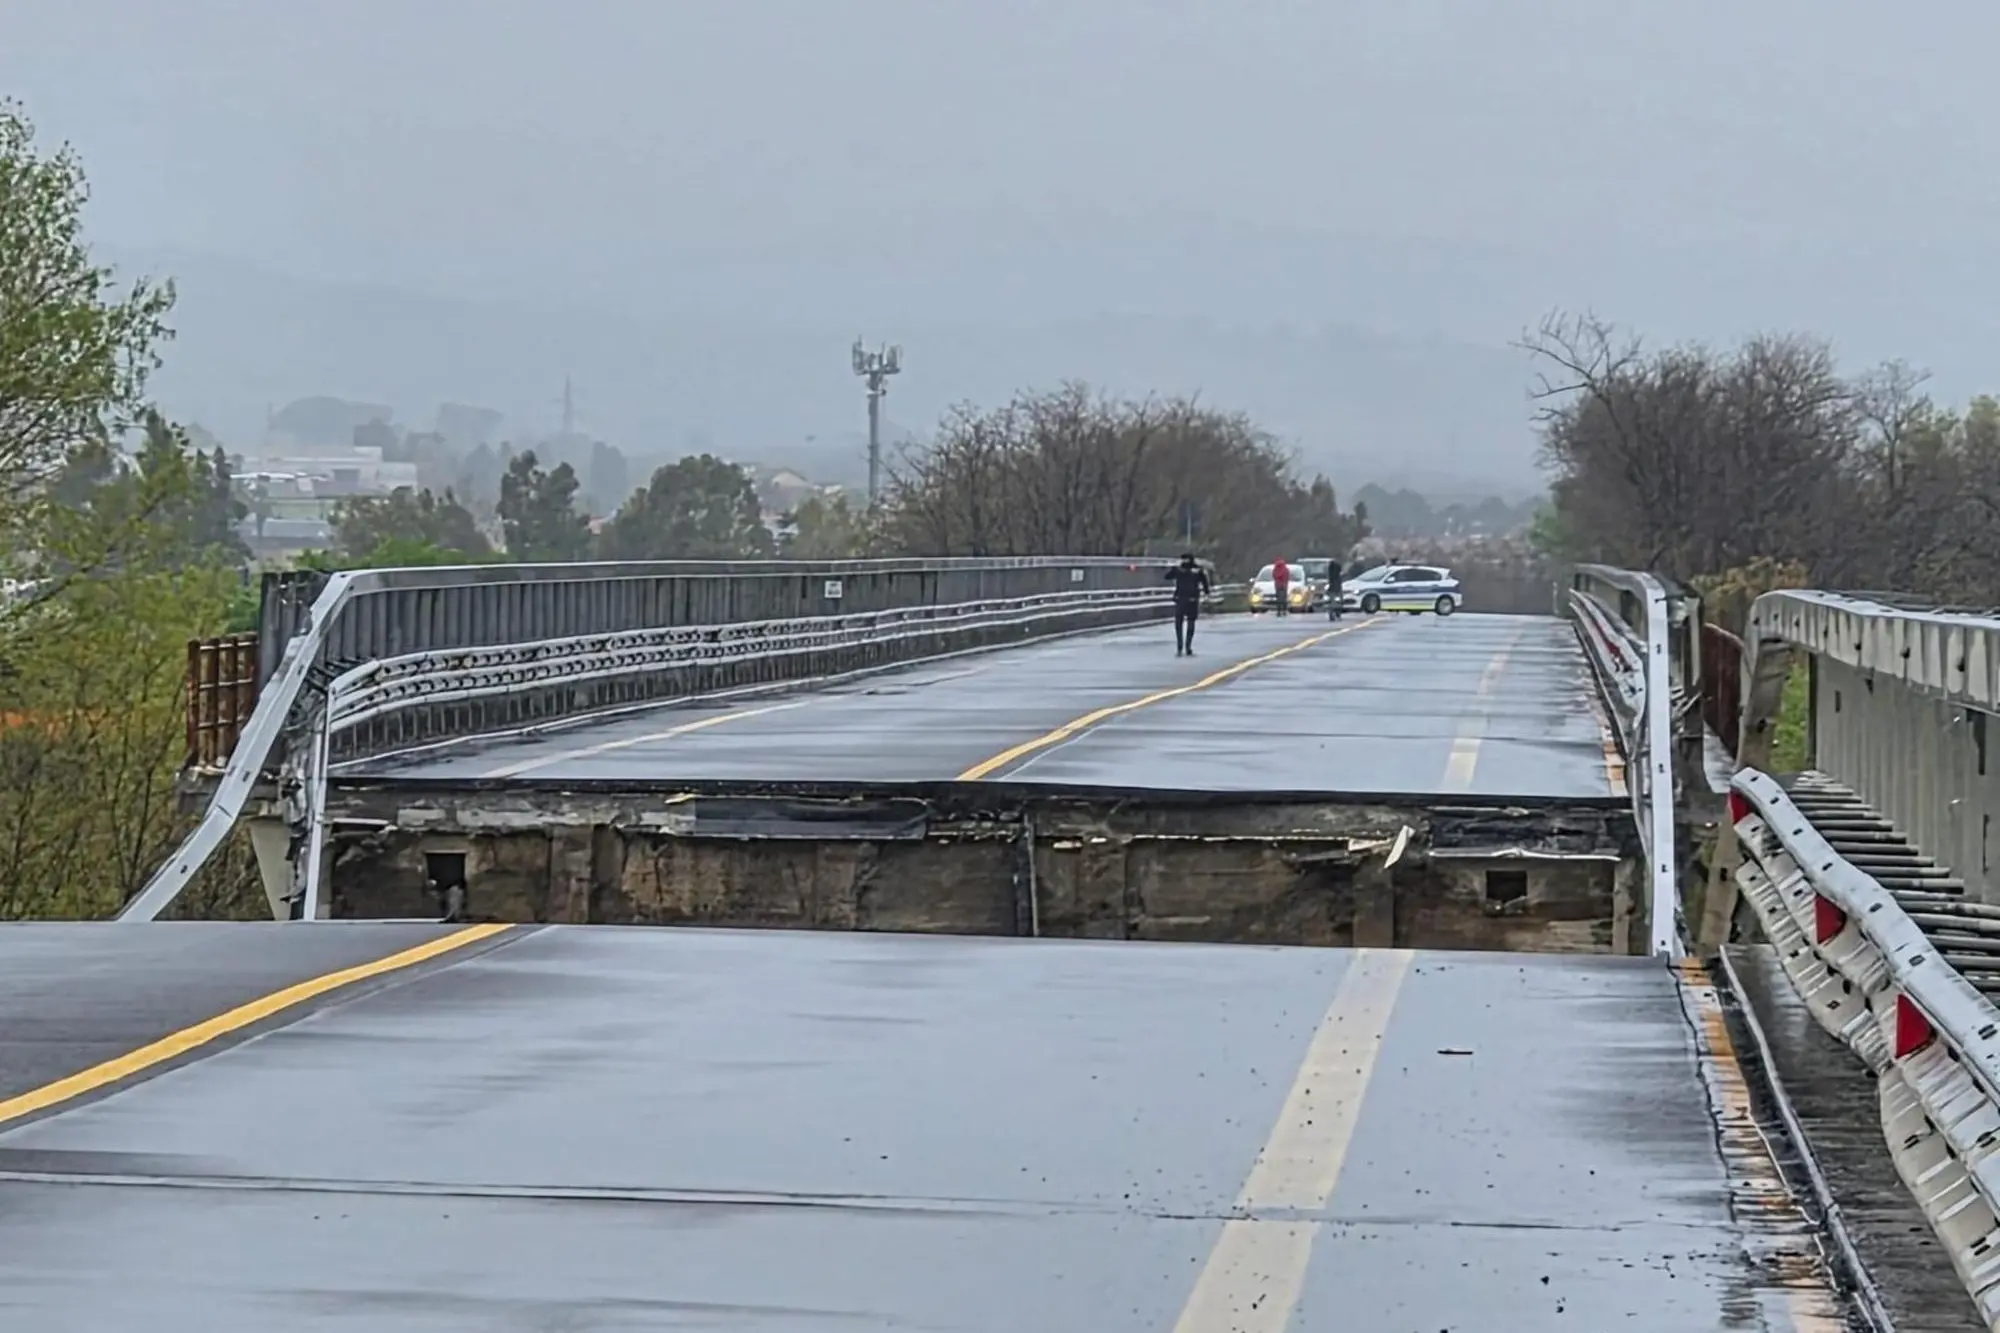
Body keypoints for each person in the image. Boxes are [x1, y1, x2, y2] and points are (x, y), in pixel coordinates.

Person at [1164, 553, 1212, 656]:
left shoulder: (1178, 569)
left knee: (1179, 624)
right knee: (1191, 623)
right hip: (1192, 599)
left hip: (1180, 599)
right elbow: (1205, 583)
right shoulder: (1198, 570)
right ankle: (1188, 647)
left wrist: (1173, 567)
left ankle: (1180, 646)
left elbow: (1167, 576)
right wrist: (1207, 594)